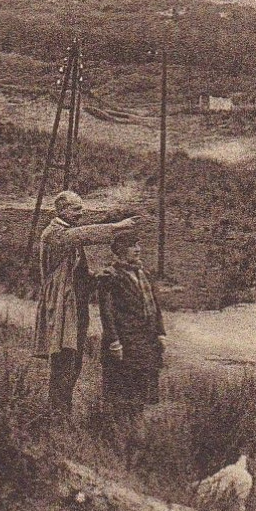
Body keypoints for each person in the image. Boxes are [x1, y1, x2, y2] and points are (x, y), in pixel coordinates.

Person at [33, 191, 138, 417]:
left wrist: (96, 279)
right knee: (63, 360)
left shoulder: (67, 233)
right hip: (61, 306)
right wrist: (117, 227)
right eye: (76, 209)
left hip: (75, 306)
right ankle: (57, 412)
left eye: (82, 209)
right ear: (61, 211)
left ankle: (63, 410)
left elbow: (78, 273)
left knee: (74, 359)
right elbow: (84, 235)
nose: (81, 214)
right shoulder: (54, 234)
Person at [96, 231, 166, 455]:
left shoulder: (143, 273)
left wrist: (160, 333)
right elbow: (106, 313)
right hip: (125, 345)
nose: (137, 249)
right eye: (131, 246)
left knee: (141, 395)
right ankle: (116, 445)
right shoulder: (110, 276)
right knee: (121, 396)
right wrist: (114, 341)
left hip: (146, 343)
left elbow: (155, 306)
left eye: (138, 244)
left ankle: (136, 444)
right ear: (119, 251)